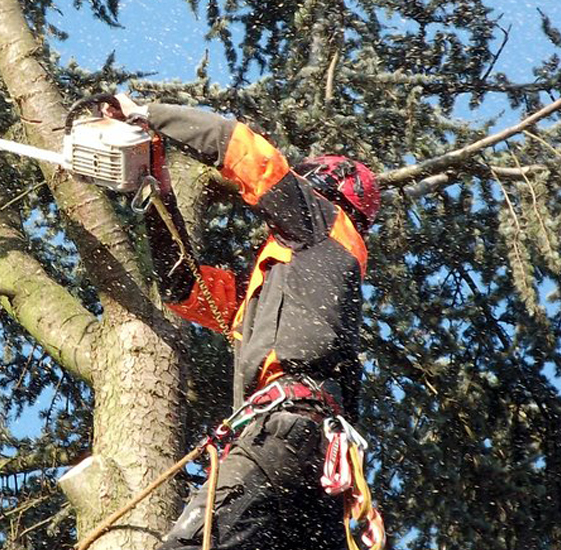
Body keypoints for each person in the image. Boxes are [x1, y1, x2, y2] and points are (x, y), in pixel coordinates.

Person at [105, 95, 380, 550]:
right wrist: (157, 192)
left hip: (285, 433)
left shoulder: (324, 226)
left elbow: (253, 158)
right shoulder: (292, 286)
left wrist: (148, 114)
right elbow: (185, 291)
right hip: (311, 465)